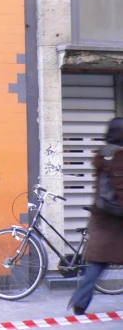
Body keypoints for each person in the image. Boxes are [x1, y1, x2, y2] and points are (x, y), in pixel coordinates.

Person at [69, 116, 123, 315]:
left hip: (101, 216)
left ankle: (80, 300)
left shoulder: (103, 153)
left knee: (96, 262)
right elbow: (120, 187)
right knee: (97, 261)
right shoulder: (119, 156)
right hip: (117, 220)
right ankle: (80, 300)